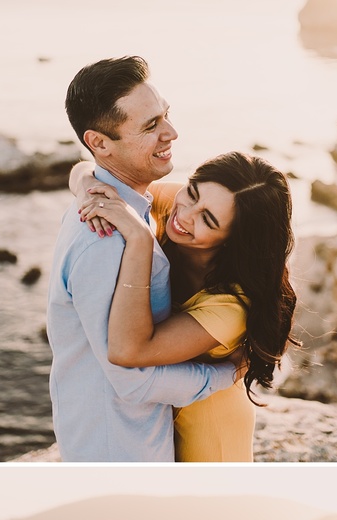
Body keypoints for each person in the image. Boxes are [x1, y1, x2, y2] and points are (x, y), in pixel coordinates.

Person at [48, 55, 238, 462]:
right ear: (99, 143)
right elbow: (130, 381)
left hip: (134, 435)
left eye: (164, 115)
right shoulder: (105, 239)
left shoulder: (132, 205)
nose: (171, 132)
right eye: (151, 126)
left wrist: (83, 181)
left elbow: (81, 170)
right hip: (117, 447)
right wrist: (227, 374)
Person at [73, 150, 297, 462]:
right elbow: (86, 169)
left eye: (208, 219)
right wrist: (90, 190)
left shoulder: (232, 306)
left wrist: (140, 239)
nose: (186, 215)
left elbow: (127, 351)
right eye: (191, 192)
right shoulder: (178, 206)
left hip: (208, 429)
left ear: (236, 239)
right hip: (156, 417)